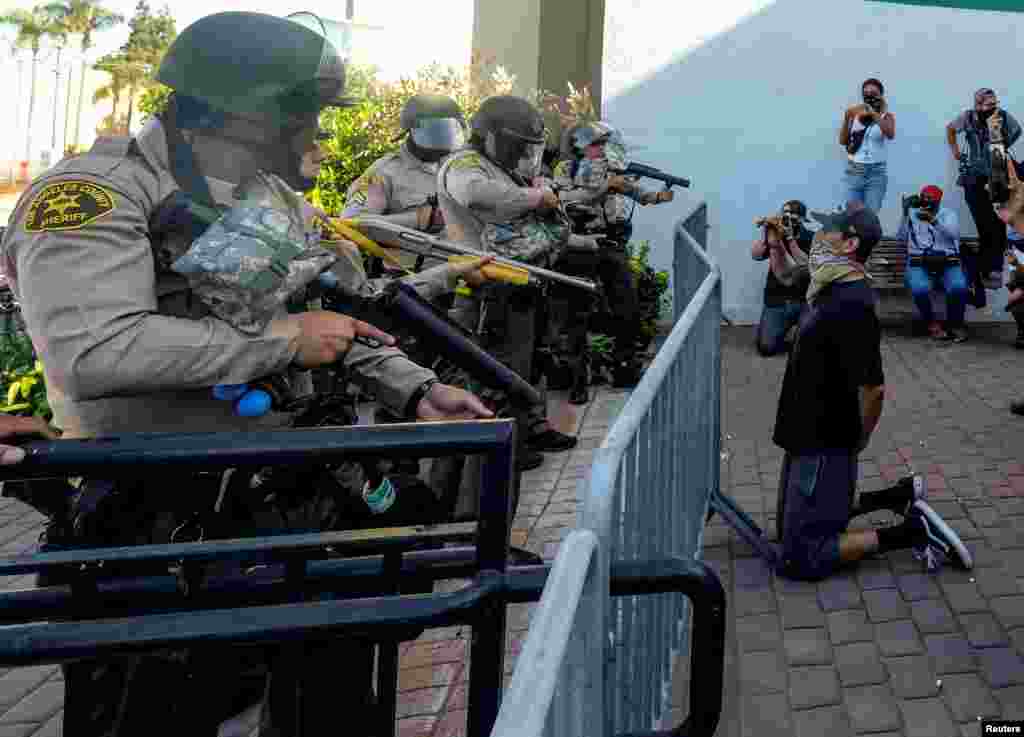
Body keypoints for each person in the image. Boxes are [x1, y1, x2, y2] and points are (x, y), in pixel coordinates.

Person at [0, 12, 494, 734]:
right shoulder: (95, 194)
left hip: (286, 504)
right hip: (156, 528)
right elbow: (97, 350)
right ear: (255, 112)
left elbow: (329, 305)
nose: (321, 135)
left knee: (329, 703)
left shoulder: (272, 198)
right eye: (312, 115)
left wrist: (413, 385)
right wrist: (284, 343)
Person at [772, 207, 969, 581]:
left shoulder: (854, 302)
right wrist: (776, 243)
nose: (820, 237)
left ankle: (909, 532)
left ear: (849, 244)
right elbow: (785, 275)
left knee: (800, 555)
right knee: (787, 531)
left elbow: (874, 389)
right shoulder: (828, 279)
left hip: (825, 438)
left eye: (829, 231)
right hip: (801, 429)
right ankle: (893, 497)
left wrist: (857, 439)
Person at [433, 94, 577, 518]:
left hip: (514, 300)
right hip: (484, 302)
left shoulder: (503, 169)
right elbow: (476, 196)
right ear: (491, 136)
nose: (521, 153)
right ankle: (476, 533)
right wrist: (539, 199)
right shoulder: (465, 166)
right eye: (515, 143)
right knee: (489, 414)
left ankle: (464, 528)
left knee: (500, 410)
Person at [551, 121, 674, 401]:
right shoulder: (566, 169)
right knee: (575, 314)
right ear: (579, 146)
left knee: (627, 307)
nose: (602, 149)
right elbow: (565, 200)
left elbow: (633, 190)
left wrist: (657, 196)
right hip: (579, 245)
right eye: (596, 144)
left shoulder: (610, 167)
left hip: (611, 244)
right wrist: (605, 188)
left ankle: (624, 368)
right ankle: (574, 377)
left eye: (604, 144)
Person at [947, 88, 1022, 298]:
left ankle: (994, 271)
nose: (990, 108)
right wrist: (955, 150)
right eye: (986, 104)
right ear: (977, 104)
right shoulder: (968, 117)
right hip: (974, 174)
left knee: (998, 222)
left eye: (993, 104)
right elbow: (950, 129)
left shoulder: (1003, 117)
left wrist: (1002, 143)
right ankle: (984, 270)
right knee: (983, 222)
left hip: (998, 172)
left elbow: (1017, 131)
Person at [896, 185, 970, 342]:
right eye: (924, 196)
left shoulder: (948, 214)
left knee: (958, 287)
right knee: (919, 288)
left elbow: (954, 234)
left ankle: (955, 325)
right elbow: (901, 238)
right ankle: (932, 323)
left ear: (938, 200)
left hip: (947, 261)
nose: (926, 200)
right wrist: (904, 214)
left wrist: (933, 220)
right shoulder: (913, 214)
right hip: (919, 261)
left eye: (930, 198)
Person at [750, 200, 813, 357]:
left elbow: (806, 265)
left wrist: (790, 239)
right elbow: (756, 255)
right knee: (766, 347)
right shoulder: (775, 234)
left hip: (804, 300)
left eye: (793, 216)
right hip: (777, 300)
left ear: (803, 220)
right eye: (785, 216)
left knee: (813, 348)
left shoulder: (813, 238)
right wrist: (766, 235)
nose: (788, 220)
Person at [838, 78, 895, 213]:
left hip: (876, 173)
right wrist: (847, 118)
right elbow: (842, 141)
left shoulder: (887, 116)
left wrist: (874, 113)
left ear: (881, 95)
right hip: (855, 171)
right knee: (850, 214)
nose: (869, 96)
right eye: (866, 93)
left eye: (873, 92)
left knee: (870, 216)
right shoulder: (855, 114)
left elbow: (890, 134)